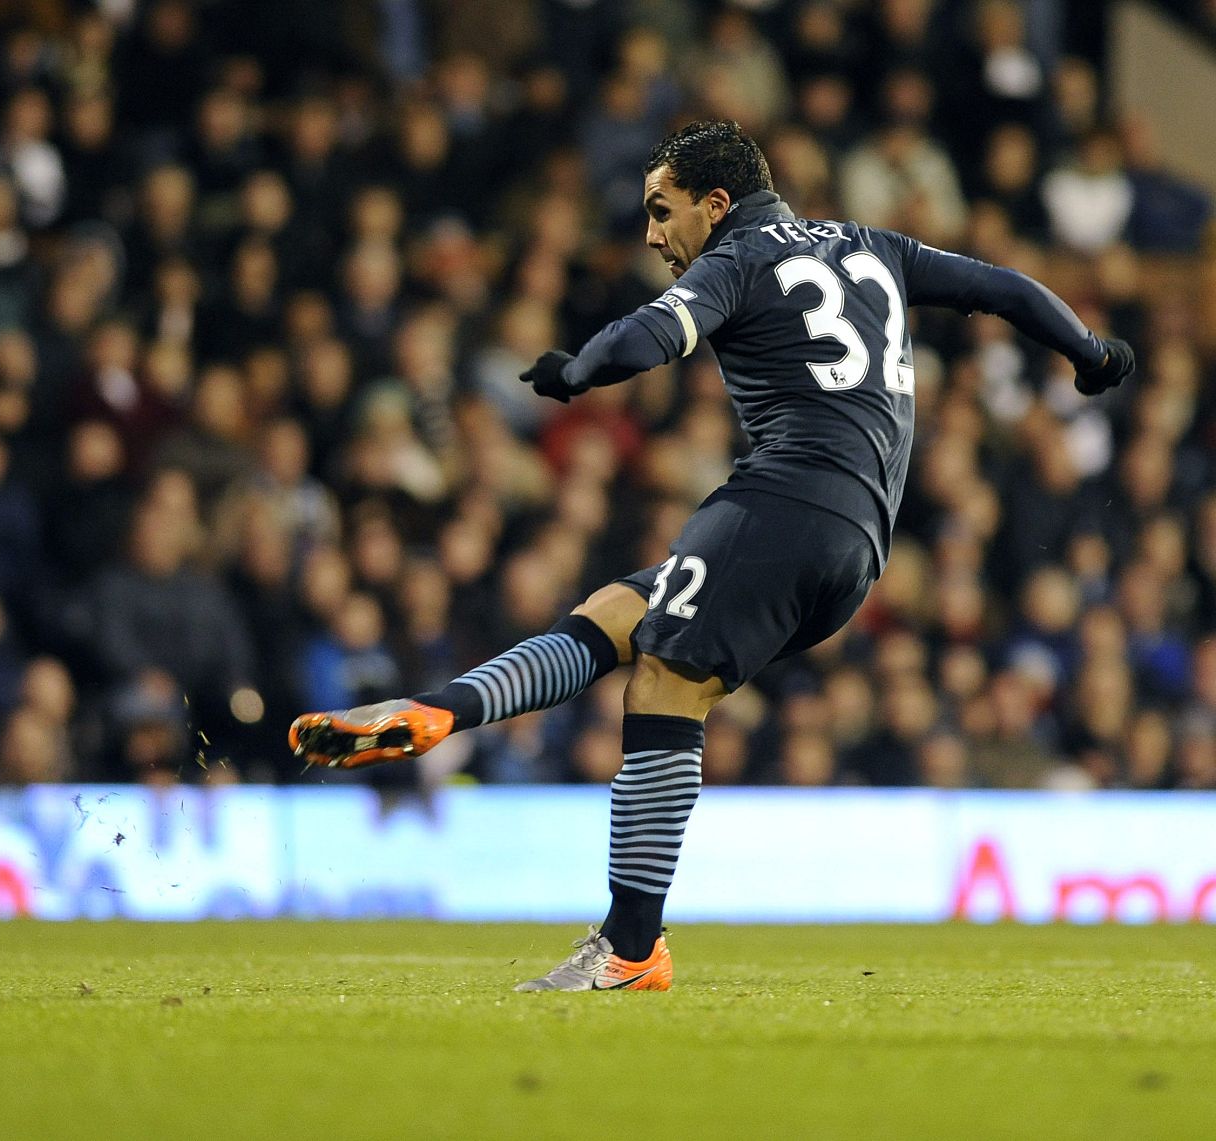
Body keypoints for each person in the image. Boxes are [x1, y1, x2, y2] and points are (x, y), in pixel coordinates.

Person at [288, 120, 1135, 992]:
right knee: (614, 618)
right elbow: (1005, 287)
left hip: (782, 505)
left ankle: (630, 945)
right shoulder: (872, 244)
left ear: (716, 204)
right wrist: (1092, 352)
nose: (653, 234)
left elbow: (651, 336)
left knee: (664, 681)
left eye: (663, 211)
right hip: (859, 538)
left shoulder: (735, 260)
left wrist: (575, 373)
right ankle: (435, 713)